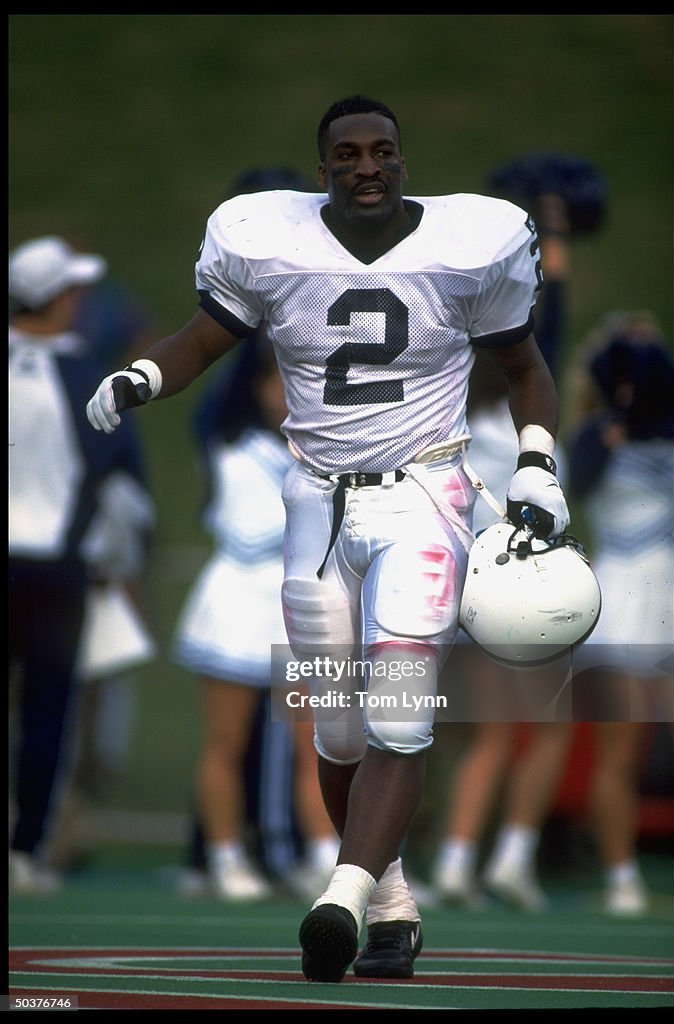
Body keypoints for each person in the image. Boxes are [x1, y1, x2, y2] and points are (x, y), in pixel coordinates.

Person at [86, 94, 570, 983]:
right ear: (322, 173)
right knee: (337, 730)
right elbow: (206, 337)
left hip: (423, 496)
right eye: (346, 154)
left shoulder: (472, 244)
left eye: (380, 150)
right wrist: (141, 375)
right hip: (310, 505)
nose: (366, 166)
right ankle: (390, 905)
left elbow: (525, 368)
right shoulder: (268, 241)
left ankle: (338, 898)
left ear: (402, 159)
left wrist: (536, 464)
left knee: (396, 710)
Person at [431, 180, 586, 912]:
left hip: (460, 584)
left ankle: (458, 863)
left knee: (484, 738)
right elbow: (544, 338)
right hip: (523, 589)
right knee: (545, 730)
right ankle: (510, 858)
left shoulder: (451, 411)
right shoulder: (531, 422)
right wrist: (549, 247)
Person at [172, 328, 339, 901]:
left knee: (313, 741)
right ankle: (223, 858)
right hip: (234, 604)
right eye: (277, 382)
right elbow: (223, 376)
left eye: (300, 385)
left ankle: (322, 858)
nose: (286, 396)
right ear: (258, 385)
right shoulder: (225, 435)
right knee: (227, 740)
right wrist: (259, 304)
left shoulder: (326, 451)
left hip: (297, 607)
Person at [9, 235, 151, 893]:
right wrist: (122, 562)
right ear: (58, 299)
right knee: (46, 718)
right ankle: (25, 851)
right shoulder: (86, 377)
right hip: (56, 573)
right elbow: (124, 492)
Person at [566, 310, 674, 915]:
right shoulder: (592, 435)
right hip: (623, 609)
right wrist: (615, 426)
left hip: (669, 598)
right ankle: (621, 875)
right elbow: (578, 482)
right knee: (623, 754)